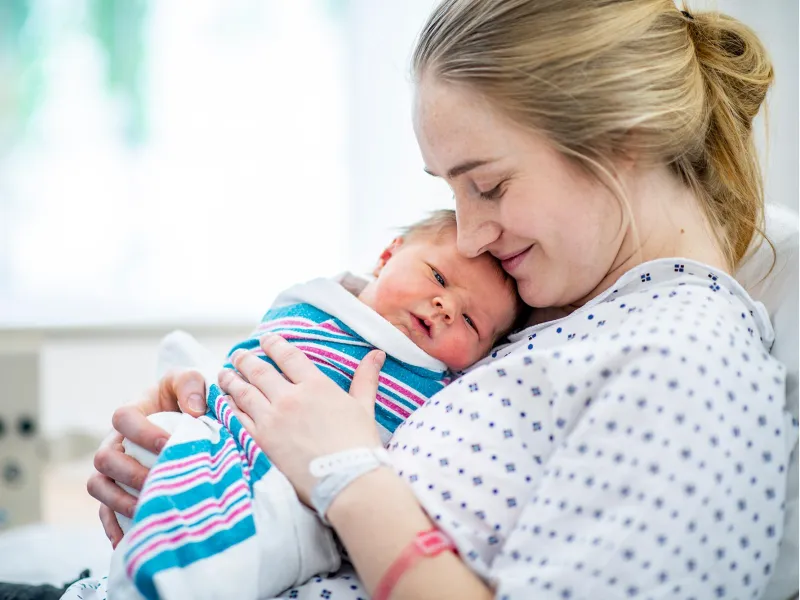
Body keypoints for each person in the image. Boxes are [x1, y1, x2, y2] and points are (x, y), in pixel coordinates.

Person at [83, 1, 793, 599]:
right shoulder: (557, 313)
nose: (472, 234)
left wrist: (346, 473)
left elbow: (352, 470)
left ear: (621, 140)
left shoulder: (685, 364)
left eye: (487, 185)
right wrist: (212, 432)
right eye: (450, 192)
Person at [64, 210, 521, 600]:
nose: (444, 306)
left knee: (242, 534)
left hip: (285, 485)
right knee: (160, 438)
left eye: (470, 321)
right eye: (438, 277)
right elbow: (252, 356)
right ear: (387, 254)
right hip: (217, 425)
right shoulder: (325, 303)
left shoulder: (441, 386)